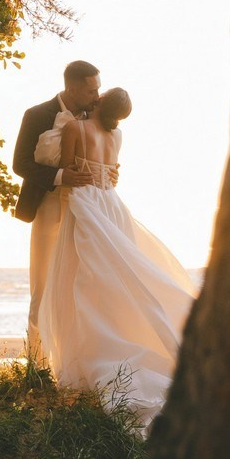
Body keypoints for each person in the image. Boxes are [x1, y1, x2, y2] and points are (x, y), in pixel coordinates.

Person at [38, 88, 197, 432]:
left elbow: (68, 170)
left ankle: (94, 354)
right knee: (120, 278)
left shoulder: (74, 129)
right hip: (111, 203)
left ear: (99, 100)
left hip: (85, 204)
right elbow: (109, 170)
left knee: (85, 279)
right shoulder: (117, 135)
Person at [13, 61, 117, 355]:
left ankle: (75, 358)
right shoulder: (37, 115)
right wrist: (61, 176)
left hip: (85, 211)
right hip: (47, 204)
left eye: (98, 89)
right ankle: (36, 363)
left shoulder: (96, 117)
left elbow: (104, 158)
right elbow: (20, 163)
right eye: (91, 90)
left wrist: (110, 173)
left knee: (83, 284)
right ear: (71, 88)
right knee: (43, 285)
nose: (97, 96)